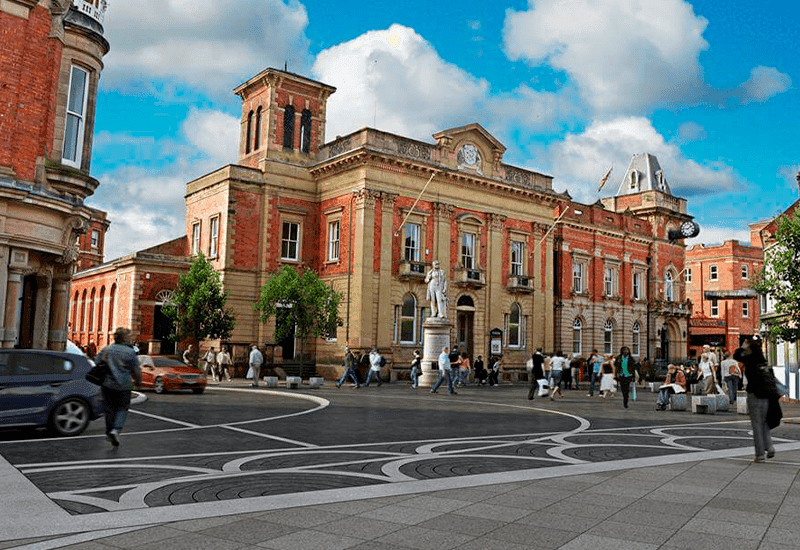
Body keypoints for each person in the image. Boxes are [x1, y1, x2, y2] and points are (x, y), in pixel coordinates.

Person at [95, 327, 141, 447]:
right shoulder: (130, 352)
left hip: (107, 384)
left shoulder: (107, 349)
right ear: (125, 338)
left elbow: (97, 361)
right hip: (124, 385)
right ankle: (116, 430)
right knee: (122, 408)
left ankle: (109, 431)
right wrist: (138, 382)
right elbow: (136, 369)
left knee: (109, 409)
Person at [735, 337, 777, 462]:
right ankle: (769, 447)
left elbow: (736, 354)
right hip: (766, 395)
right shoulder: (762, 360)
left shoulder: (749, 359)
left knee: (757, 424)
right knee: (764, 422)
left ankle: (759, 454)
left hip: (754, 394)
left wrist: (744, 346)